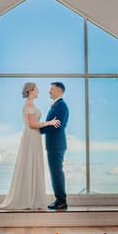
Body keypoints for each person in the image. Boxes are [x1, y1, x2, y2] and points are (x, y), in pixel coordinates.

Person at [0, 82, 60, 211]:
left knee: (32, 164)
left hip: (34, 136)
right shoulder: (29, 104)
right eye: (36, 89)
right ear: (31, 90)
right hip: (31, 136)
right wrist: (49, 122)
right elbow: (32, 124)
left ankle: (32, 198)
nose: (38, 91)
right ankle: (29, 199)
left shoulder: (31, 104)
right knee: (29, 164)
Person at [39, 82, 69, 211]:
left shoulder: (61, 105)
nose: (49, 91)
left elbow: (57, 125)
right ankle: (59, 199)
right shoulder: (57, 105)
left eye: (51, 89)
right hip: (54, 144)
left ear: (59, 90)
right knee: (55, 171)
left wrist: (38, 130)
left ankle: (61, 201)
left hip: (56, 144)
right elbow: (51, 124)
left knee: (56, 172)